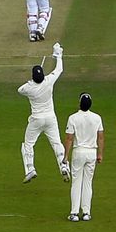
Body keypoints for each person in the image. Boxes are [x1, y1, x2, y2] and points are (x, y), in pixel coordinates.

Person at [19, 43, 69, 182]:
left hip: (36, 119)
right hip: (50, 118)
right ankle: (64, 166)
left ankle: (30, 169)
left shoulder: (28, 88)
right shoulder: (48, 80)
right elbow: (59, 69)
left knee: (28, 144)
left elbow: (20, 90)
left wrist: (31, 83)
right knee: (56, 143)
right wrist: (58, 54)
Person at [64, 93, 104, 221]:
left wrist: (65, 156)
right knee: (88, 183)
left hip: (79, 152)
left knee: (76, 183)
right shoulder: (97, 118)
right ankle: (86, 212)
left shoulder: (73, 118)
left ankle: (74, 213)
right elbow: (101, 137)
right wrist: (100, 154)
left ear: (79, 104)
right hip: (91, 152)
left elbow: (69, 138)